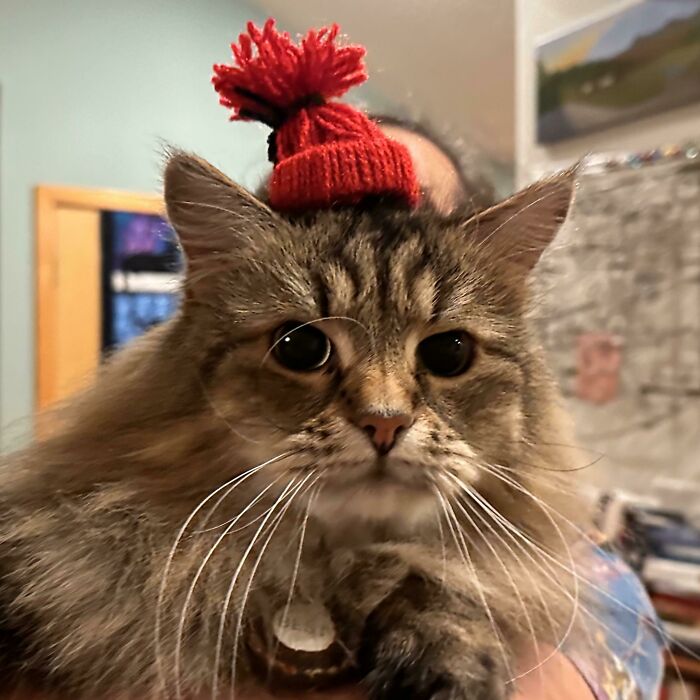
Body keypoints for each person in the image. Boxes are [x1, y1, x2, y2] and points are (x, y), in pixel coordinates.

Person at [4, 117, 663, 700]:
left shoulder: (605, 581)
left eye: (448, 353)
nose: (384, 410)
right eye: (302, 347)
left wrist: (453, 611)